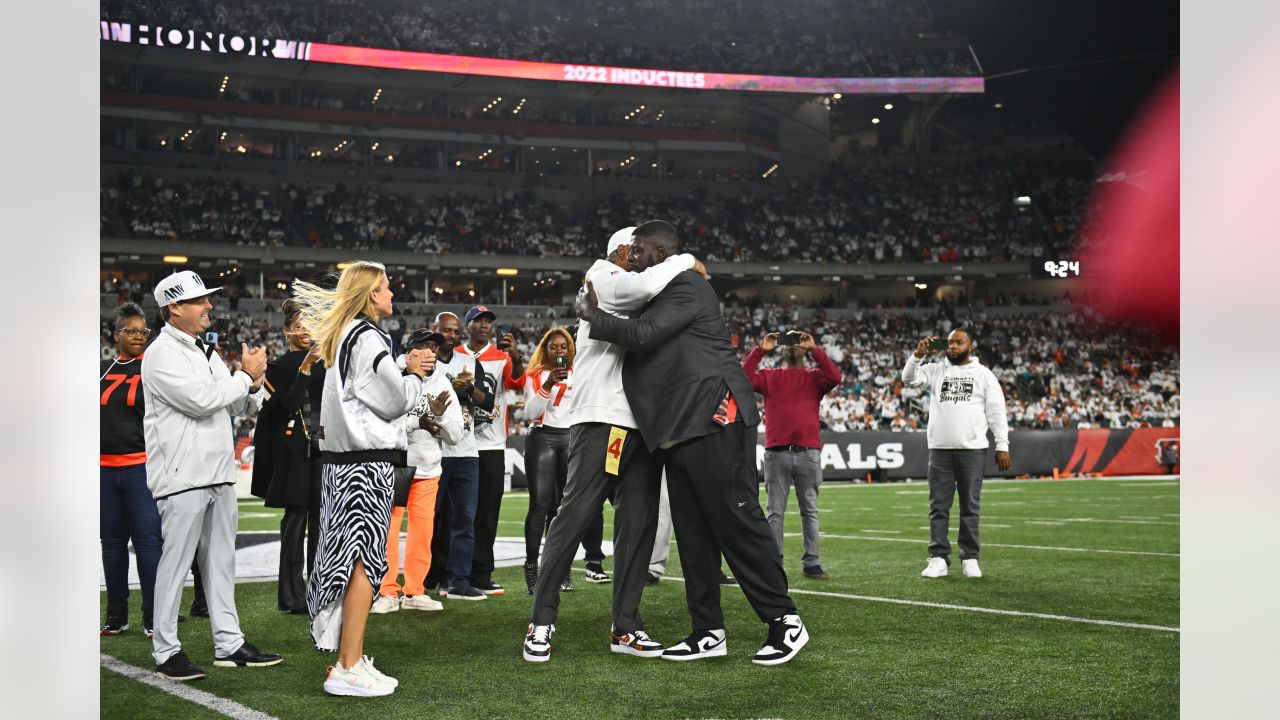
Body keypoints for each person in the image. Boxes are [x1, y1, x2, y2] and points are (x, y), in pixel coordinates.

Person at [580, 221, 809, 666]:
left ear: (661, 250)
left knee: (734, 517)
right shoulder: (662, 287)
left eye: (640, 251)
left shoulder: (687, 285)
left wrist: (593, 317)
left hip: (714, 413)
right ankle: (708, 630)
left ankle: (784, 620)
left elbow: (643, 336)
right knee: (692, 532)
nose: (634, 259)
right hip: (678, 427)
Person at [522, 226, 701, 664]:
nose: (646, 259)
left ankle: (626, 625)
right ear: (623, 251)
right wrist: (683, 259)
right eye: (638, 251)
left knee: (637, 527)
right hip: (603, 419)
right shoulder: (601, 276)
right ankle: (541, 622)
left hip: (640, 425)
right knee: (575, 518)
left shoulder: (636, 289)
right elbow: (645, 285)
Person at [291, 261, 435, 696]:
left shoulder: (343, 336)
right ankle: (347, 665)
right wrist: (412, 374)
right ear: (372, 292)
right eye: (388, 286)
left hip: (345, 463)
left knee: (354, 561)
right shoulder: (368, 336)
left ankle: (349, 657)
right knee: (362, 564)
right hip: (363, 466)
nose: (392, 293)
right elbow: (392, 402)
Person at [142, 271, 283, 681]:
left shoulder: (205, 352)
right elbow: (201, 401)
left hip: (218, 474)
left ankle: (229, 643)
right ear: (174, 308)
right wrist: (243, 377)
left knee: (221, 564)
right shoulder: (161, 353)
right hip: (183, 477)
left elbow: (238, 408)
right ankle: (166, 650)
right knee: (176, 564)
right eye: (199, 301)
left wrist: (253, 381)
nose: (209, 307)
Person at [902, 328, 1011, 580]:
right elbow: (908, 379)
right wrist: (917, 355)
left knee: (970, 507)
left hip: (972, 449)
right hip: (940, 450)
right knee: (938, 507)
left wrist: (1002, 444)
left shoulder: (983, 375)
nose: (952, 347)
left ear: (970, 346)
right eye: (950, 343)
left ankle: (970, 558)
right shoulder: (934, 370)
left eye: (958, 343)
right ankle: (938, 557)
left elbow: (996, 411)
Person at [370, 329, 461, 614]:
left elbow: (456, 435)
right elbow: (382, 421)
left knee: (422, 534)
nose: (429, 352)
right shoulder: (391, 376)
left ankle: (414, 591)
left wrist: (437, 418)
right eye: (422, 346)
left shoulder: (444, 384)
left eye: (434, 347)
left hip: (428, 468)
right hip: (396, 466)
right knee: (388, 532)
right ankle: (386, 591)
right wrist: (416, 423)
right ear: (410, 351)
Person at [743, 330, 842, 580]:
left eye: (797, 342)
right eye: (788, 343)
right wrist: (761, 350)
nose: (792, 346)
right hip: (777, 453)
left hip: (807, 452)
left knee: (809, 510)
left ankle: (812, 562)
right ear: (782, 351)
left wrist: (815, 348)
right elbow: (741, 378)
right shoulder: (769, 376)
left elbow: (835, 376)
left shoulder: (815, 377)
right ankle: (774, 562)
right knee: (775, 511)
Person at [519, 327, 608, 594]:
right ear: (545, 349)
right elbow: (530, 412)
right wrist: (547, 385)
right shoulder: (535, 375)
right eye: (553, 347)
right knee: (540, 505)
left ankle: (561, 567)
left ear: (571, 349)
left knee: (562, 508)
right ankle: (532, 567)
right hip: (542, 439)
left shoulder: (581, 374)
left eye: (563, 346)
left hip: (571, 439)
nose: (559, 351)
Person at [251, 299, 325, 614]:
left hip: (322, 448)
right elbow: (282, 407)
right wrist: (305, 369)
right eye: (299, 325)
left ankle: (319, 587)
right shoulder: (280, 366)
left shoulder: (328, 361)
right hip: (294, 452)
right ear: (286, 332)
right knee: (295, 522)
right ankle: (290, 594)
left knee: (322, 522)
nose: (306, 330)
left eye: (310, 323)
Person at [422, 312, 495, 601]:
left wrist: (471, 389)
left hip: (466, 450)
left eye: (454, 331)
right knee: (431, 520)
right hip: (433, 450)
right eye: (445, 331)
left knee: (465, 520)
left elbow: (487, 403)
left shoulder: (469, 362)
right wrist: (452, 388)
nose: (451, 336)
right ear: (435, 330)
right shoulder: (424, 361)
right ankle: (426, 578)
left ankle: (459, 581)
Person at [101, 302, 162, 637]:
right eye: (132, 330)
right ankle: (115, 616)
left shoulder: (152, 370)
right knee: (110, 543)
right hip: (103, 471)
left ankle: (154, 617)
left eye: (143, 331)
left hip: (142, 468)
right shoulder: (101, 370)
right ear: (116, 335)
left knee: (148, 543)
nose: (139, 336)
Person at [456, 306, 526, 596]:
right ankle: (452, 572)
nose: (484, 326)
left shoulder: (503, 357)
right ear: (467, 325)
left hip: (493, 445)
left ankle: (482, 573)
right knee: (458, 514)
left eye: (489, 322)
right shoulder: (455, 354)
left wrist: (517, 355)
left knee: (487, 514)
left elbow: (518, 382)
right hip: (459, 444)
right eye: (479, 321)